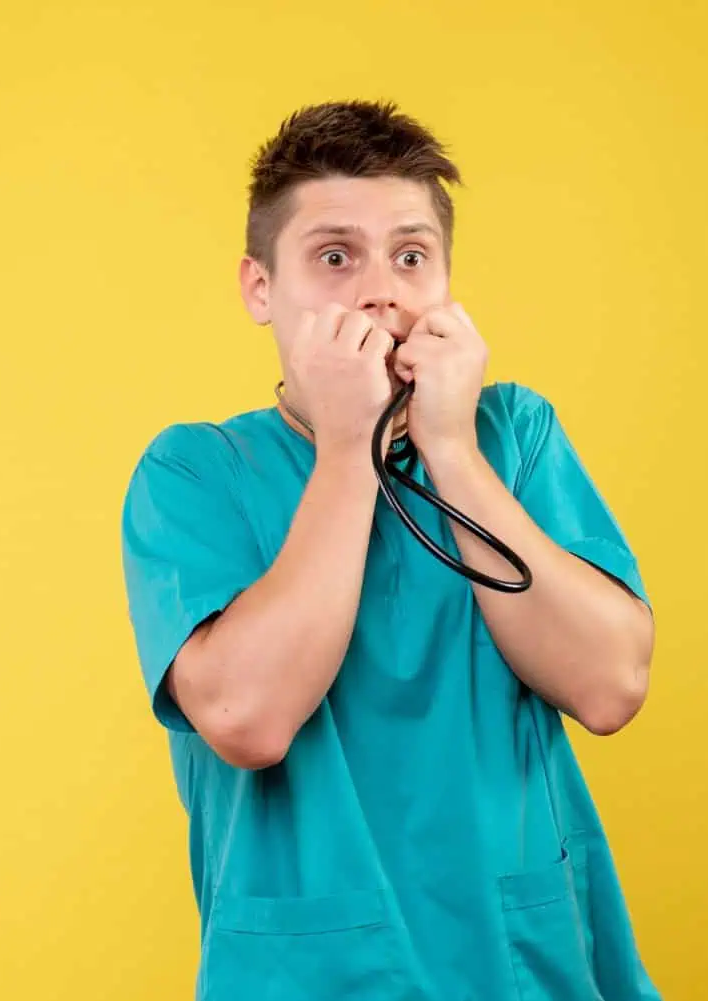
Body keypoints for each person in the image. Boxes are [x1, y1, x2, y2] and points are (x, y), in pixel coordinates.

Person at [121, 99, 660, 1001]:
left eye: (411, 257)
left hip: (521, 962)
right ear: (260, 289)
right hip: (309, 971)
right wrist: (348, 446)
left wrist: (451, 447)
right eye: (335, 257)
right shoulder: (194, 471)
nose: (381, 291)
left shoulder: (512, 434)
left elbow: (609, 686)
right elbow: (247, 719)